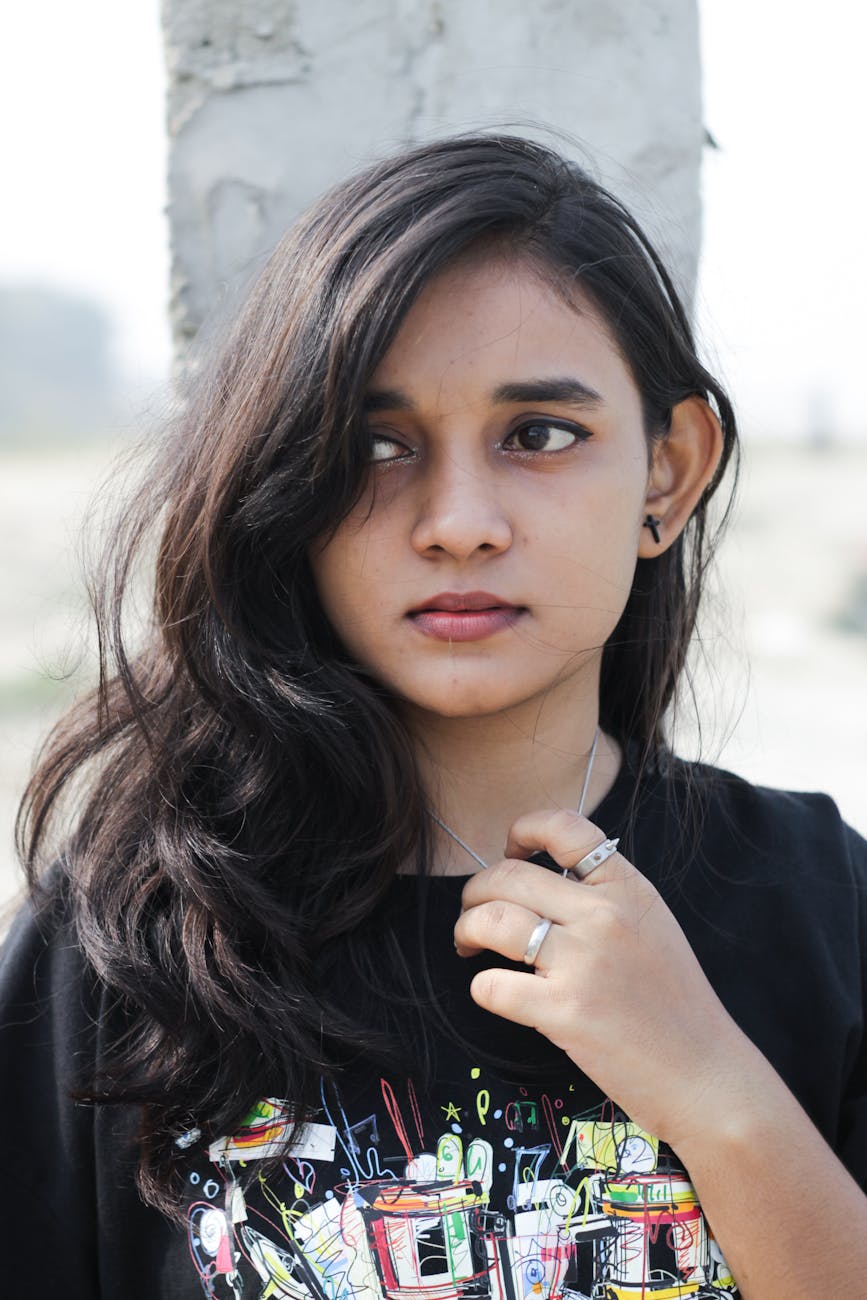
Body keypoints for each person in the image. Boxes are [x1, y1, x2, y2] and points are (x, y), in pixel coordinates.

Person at [1, 133, 865, 1300]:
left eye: (540, 435)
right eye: (376, 444)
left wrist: (718, 1092)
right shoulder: (131, 944)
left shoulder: (820, 906)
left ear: (667, 474)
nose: (458, 521)